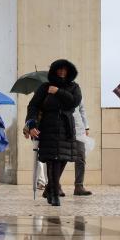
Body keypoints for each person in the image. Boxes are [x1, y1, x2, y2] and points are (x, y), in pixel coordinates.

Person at [24, 59, 83, 206]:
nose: (62, 72)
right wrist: (31, 124)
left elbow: (74, 102)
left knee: (63, 158)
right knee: (52, 159)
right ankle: (54, 193)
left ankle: (50, 188)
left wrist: (58, 92)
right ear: (54, 71)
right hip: (48, 126)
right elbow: (33, 106)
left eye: (65, 69)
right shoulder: (45, 87)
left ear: (69, 71)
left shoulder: (74, 87)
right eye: (59, 69)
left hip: (67, 126)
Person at [72, 101, 92, 196]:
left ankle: (79, 186)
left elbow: (82, 110)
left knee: (81, 157)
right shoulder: (55, 89)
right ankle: (54, 185)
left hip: (78, 129)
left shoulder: (76, 90)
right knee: (59, 158)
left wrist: (86, 127)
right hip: (62, 128)